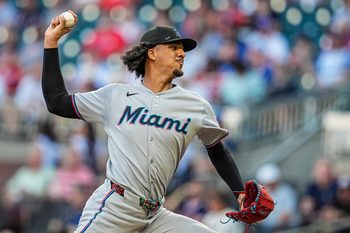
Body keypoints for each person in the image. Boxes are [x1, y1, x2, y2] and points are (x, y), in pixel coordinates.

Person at [42, 10, 245, 233]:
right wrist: (51, 42)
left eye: (182, 50)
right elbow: (56, 102)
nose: (182, 54)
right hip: (115, 208)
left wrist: (240, 193)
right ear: (152, 53)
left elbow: (217, 150)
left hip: (156, 215)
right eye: (174, 47)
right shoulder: (115, 96)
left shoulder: (196, 105)